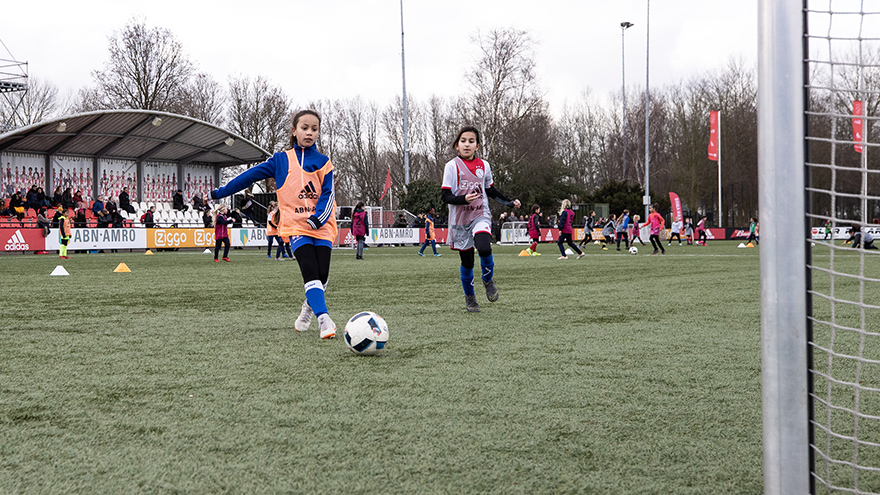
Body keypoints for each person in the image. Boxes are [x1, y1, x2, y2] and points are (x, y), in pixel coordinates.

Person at [209, 109, 339, 339]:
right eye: (304, 128)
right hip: (296, 227)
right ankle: (324, 319)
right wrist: (221, 192)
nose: (309, 132)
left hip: (322, 225)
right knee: (310, 272)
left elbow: (329, 194)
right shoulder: (280, 160)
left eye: (314, 129)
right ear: (294, 131)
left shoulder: (323, 163)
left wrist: (318, 217)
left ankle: (308, 308)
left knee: (322, 275)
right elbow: (248, 176)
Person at [441, 126, 520, 312]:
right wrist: (463, 199)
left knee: (484, 247)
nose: (467, 144)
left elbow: (490, 190)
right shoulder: (451, 166)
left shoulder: (484, 165)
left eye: (471, 141)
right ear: (456, 145)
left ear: (477, 146)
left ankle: (488, 280)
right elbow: (445, 196)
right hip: (460, 220)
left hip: (480, 215)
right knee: (467, 262)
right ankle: (470, 297)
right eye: (463, 141)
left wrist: (509, 202)